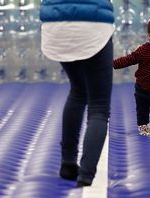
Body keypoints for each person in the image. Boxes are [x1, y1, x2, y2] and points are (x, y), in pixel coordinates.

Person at [40, 0, 114, 187]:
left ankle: (68, 163)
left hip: (56, 25)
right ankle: (86, 175)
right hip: (93, 24)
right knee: (99, 106)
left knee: (78, 90)